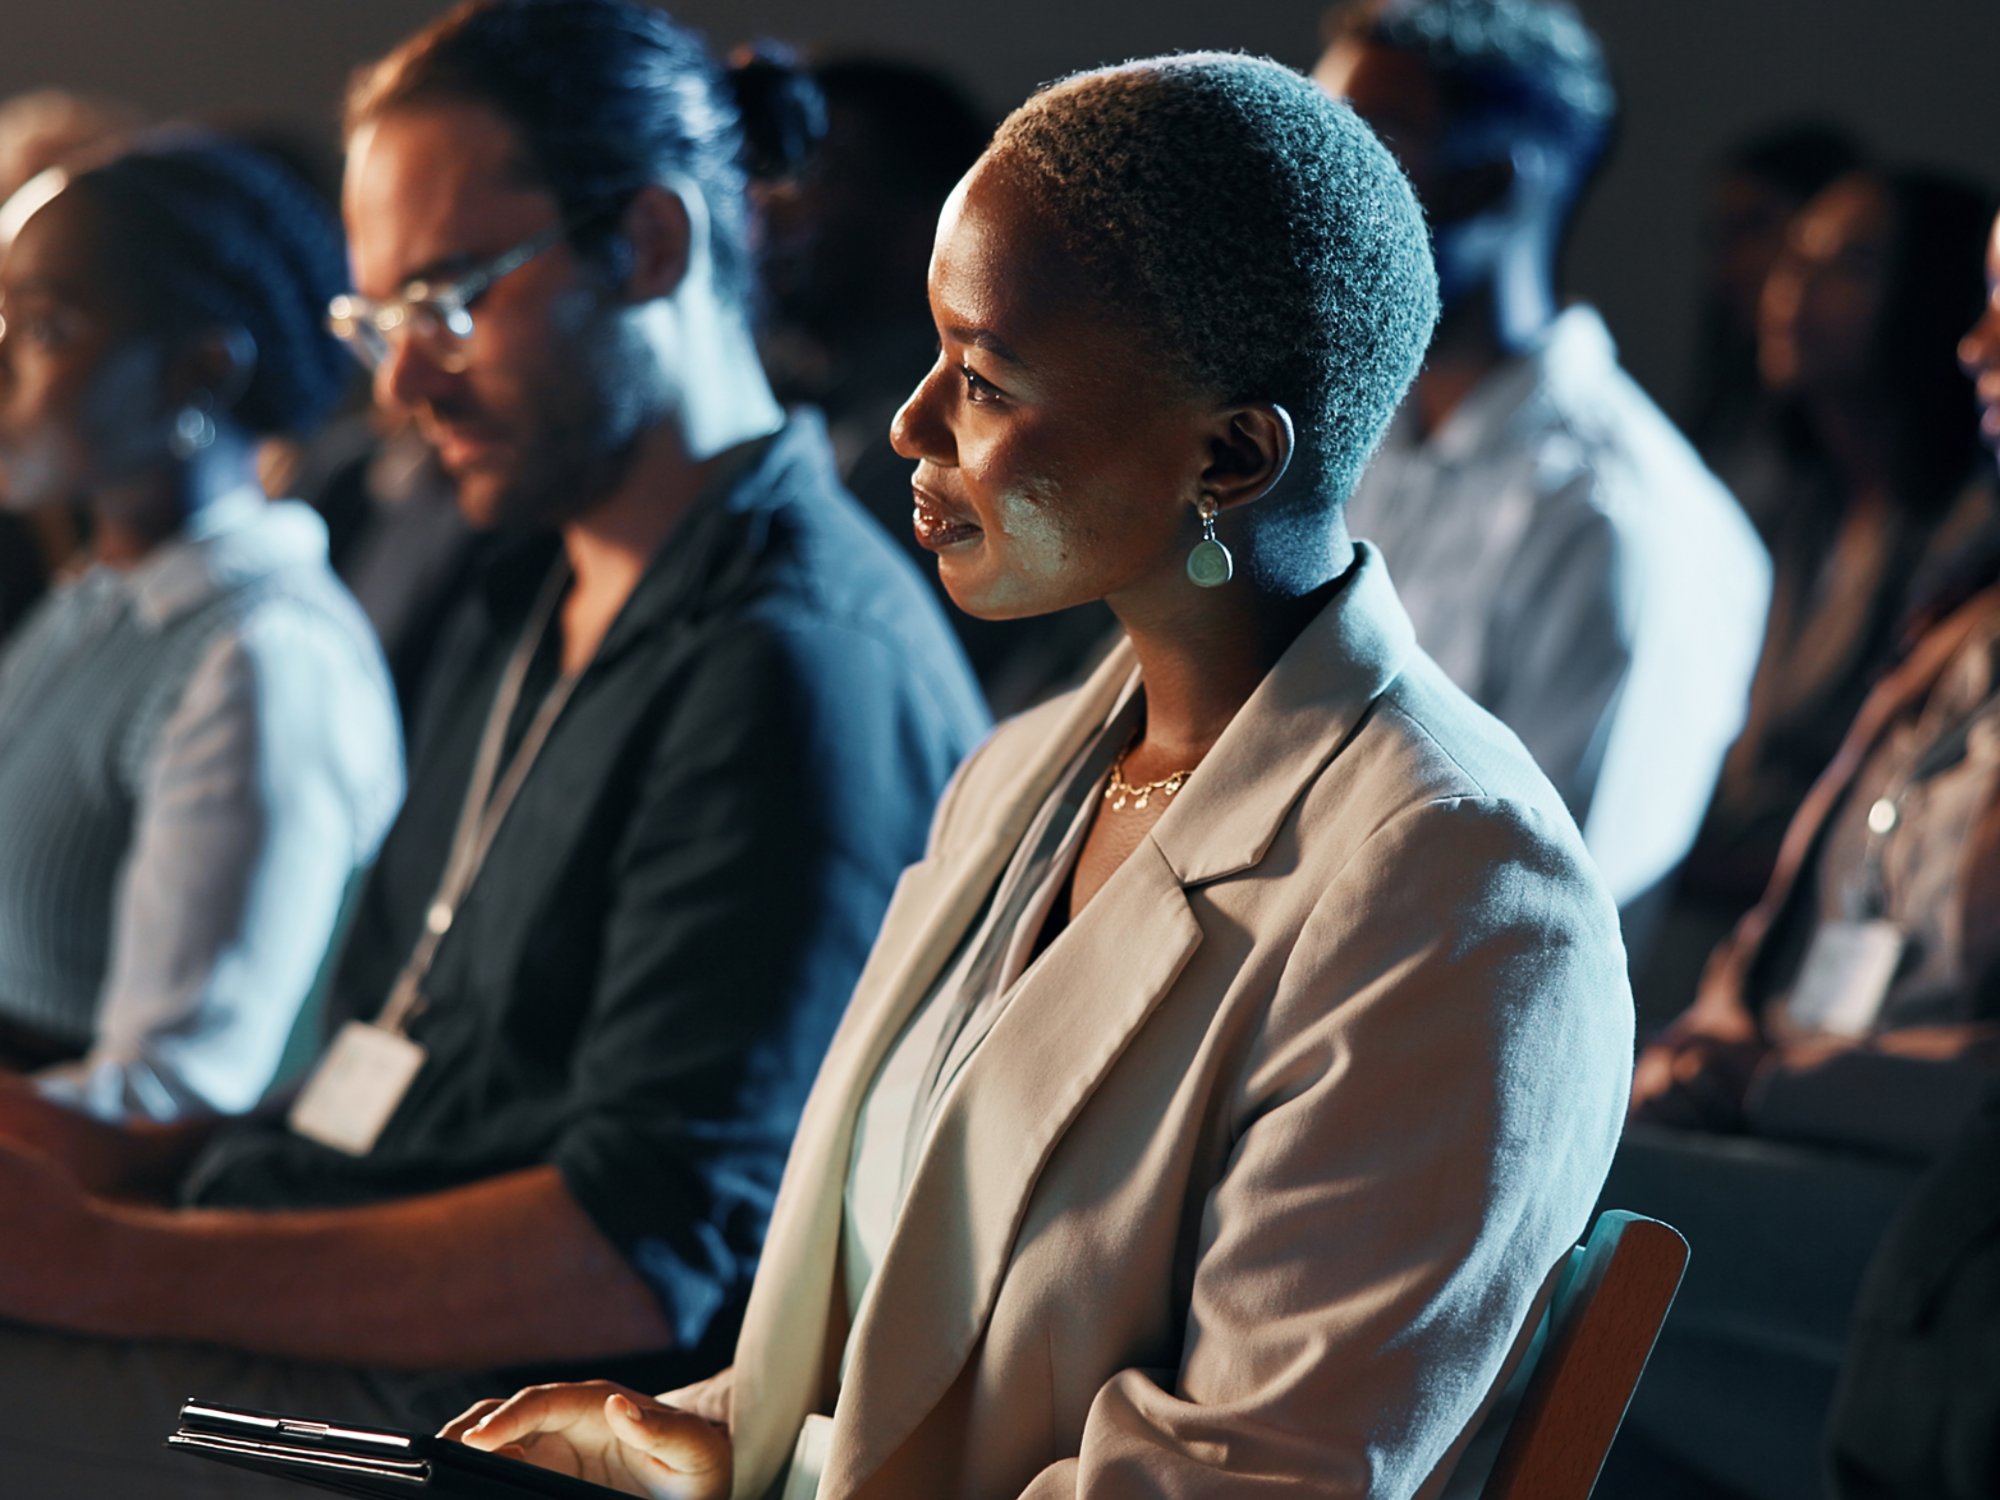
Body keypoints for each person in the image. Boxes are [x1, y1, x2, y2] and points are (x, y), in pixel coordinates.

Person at [448, 53, 1632, 1500]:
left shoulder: (1460, 890)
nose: (911, 421)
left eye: (986, 379)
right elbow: (903, 1355)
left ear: (1232, 456)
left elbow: (1255, 1480)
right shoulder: (1023, 773)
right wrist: (714, 1438)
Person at [0, 0, 984, 1491]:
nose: (401, 383)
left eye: (448, 300)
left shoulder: (791, 657)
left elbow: (642, 1255)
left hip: (504, 1430)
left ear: (647, 247)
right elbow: (410, 1080)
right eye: (381, 320)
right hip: (342, 1336)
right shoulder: (536, 573)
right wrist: (103, 1157)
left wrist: (118, 1261)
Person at [1601, 204, 2000, 1500]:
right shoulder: (1961, 612)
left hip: (1944, 1214)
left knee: (1518, 1209)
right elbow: (1777, 927)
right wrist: (1708, 1041)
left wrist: (1776, 1080)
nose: (1975, 346)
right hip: (1802, 1134)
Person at [1313, 0, 1771, 940]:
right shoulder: (1346, 439)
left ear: (1485, 185)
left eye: (1364, 141)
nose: (1312, 182)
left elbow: (1544, 923)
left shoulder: (1620, 518)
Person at [0, 134, 403, 1118]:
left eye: (44, 330)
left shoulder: (259, 661)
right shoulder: (102, 596)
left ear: (201, 371)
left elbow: (176, 1088)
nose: (2, 364)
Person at [755, 56, 1113, 717]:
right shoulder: (788, 388)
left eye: (814, 172)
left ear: (927, 217)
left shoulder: (972, 440)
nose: (767, 203)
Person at [1683, 169, 1998, 915]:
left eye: (1847, 267)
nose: (1791, 291)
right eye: (1795, 258)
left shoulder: (1971, 540)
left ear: (1928, 288)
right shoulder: (1787, 507)